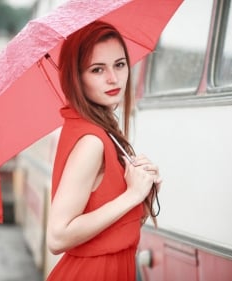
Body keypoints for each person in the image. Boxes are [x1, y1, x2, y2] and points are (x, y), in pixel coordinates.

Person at [46, 20, 161, 280]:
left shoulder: (99, 130)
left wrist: (144, 191)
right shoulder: (92, 141)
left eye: (119, 65)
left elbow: (111, 228)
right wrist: (132, 195)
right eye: (97, 69)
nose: (113, 78)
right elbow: (57, 236)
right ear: (77, 77)